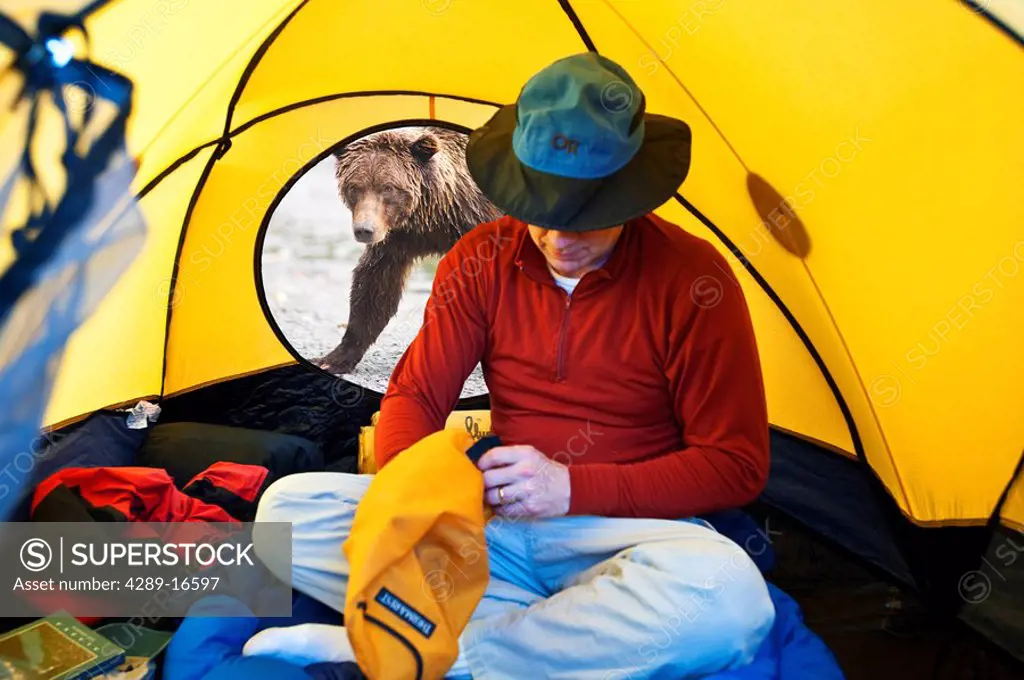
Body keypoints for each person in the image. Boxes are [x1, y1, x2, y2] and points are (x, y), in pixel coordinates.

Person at [246, 52, 776, 679]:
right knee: (286, 510)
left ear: (633, 193)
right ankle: (561, 631)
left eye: (586, 217)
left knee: (731, 599)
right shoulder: (482, 257)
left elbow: (737, 465)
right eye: (540, 211)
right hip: (484, 526)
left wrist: (570, 488)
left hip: (623, 534)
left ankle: (429, 653)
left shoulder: (694, 278)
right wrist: (416, 496)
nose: (557, 238)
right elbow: (416, 394)